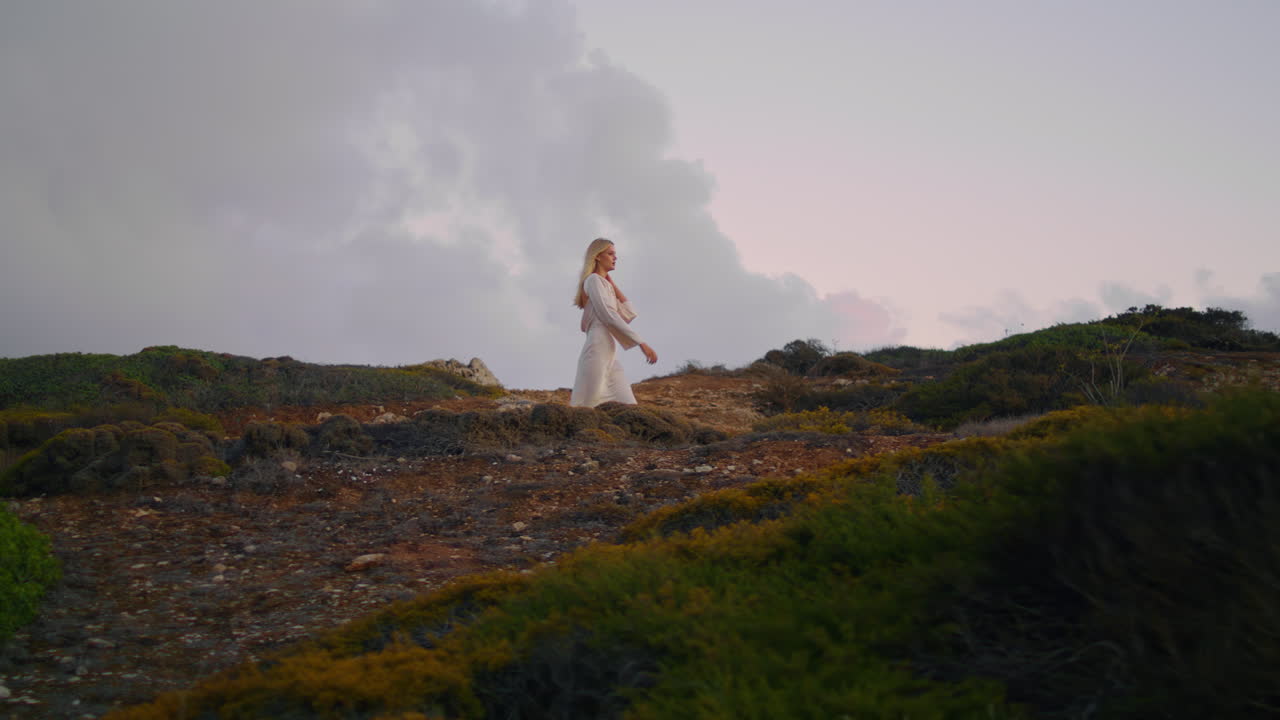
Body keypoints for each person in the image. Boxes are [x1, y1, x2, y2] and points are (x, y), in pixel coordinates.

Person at [569, 238, 658, 407]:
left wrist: (612, 283)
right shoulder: (593, 281)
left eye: (615, 254)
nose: (615, 258)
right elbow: (609, 315)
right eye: (610, 254)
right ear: (597, 256)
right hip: (597, 347)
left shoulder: (604, 284)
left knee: (629, 405)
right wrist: (641, 343)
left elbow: (628, 313)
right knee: (589, 403)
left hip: (609, 350)